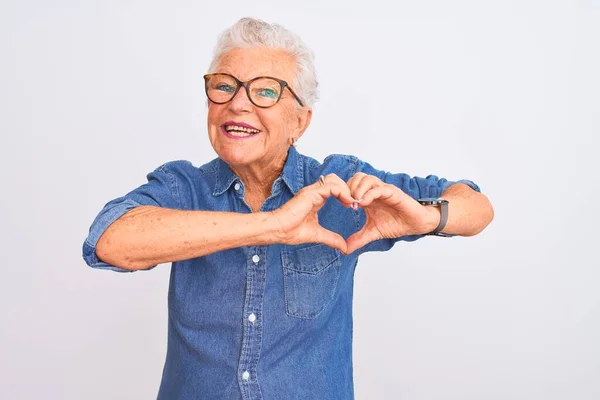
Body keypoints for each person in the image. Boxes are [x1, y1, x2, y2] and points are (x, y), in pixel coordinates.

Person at [82, 17, 494, 399]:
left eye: (265, 91)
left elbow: (476, 207)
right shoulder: (184, 187)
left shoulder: (340, 186)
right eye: (224, 85)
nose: (237, 104)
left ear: (301, 121)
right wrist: (272, 225)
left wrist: (425, 217)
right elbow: (109, 241)